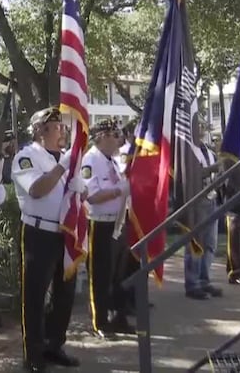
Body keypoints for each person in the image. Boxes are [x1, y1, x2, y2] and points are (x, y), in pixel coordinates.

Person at [10, 107, 82, 372]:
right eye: (56, 126)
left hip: (64, 232)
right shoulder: (25, 157)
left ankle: (54, 345)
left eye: (63, 126)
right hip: (38, 233)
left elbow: (79, 195)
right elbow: (38, 190)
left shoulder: (63, 157)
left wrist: (78, 189)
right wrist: (63, 167)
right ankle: (34, 354)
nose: (62, 130)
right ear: (40, 130)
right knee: (35, 295)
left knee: (65, 294)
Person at [81, 118, 134, 338]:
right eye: (114, 135)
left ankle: (118, 316)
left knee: (118, 274)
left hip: (118, 222)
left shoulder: (111, 160)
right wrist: (120, 190)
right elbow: (92, 196)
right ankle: (100, 322)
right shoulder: (90, 160)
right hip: (100, 223)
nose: (119, 139)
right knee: (100, 274)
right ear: (102, 137)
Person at [183, 120, 224, 300]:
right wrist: (213, 169)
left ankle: (204, 280)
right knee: (195, 244)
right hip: (196, 202)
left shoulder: (208, 150)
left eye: (201, 126)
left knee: (210, 245)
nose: (200, 129)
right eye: (196, 126)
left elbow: (216, 172)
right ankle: (192, 284)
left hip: (211, 198)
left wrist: (221, 172)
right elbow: (192, 174)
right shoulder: (187, 151)